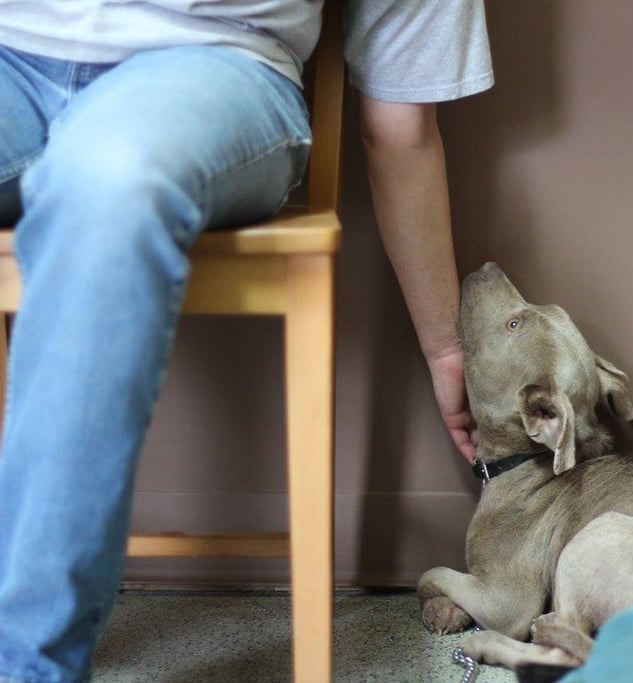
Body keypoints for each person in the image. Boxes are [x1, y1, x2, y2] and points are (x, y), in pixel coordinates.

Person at [0, 1, 491, 681]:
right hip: (10, 55)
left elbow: (400, 127)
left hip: (212, 71)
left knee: (111, 181)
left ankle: (28, 665)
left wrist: (446, 347)